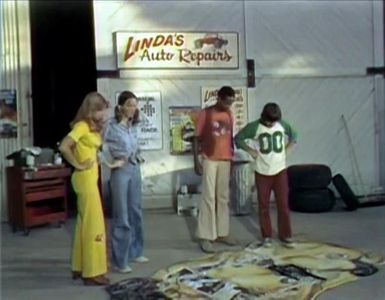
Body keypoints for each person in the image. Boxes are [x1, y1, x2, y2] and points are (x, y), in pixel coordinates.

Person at [59, 92, 123, 285]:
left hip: (89, 177)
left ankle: (80, 266)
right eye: (100, 111)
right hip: (84, 178)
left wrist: (111, 165)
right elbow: (64, 146)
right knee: (95, 224)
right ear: (91, 109)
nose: (103, 115)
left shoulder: (91, 127)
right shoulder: (81, 126)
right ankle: (93, 272)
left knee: (83, 224)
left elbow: (94, 151)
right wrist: (78, 164)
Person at [235, 102, 297, 247]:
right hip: (262, 171)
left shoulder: (282, 124)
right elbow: (238, 138)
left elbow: (294, 135)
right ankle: (267, 235)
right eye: (269, 121)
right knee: (263, 205)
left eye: (274, 121)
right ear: (263, 117)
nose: (271, 124)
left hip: (280, 170)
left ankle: (286, 235)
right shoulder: (254, 126)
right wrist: (250, 151)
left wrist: (288, 149)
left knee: (283, 204)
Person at [104, 90, 148, 273]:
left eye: (135, 104)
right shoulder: (111, 126)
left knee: (135, 211)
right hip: (120, 171)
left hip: (134, 168)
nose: (133, 108)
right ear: (120, 106)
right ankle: (119, 260)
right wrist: (109, 162)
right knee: (121, 214)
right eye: (129, 104)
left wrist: (138, 155)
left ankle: (136, 251)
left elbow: (135, 145)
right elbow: (98, 147)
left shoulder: (134, 125)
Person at [192, 86, 238, 253]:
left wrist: (232, 161)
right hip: (209, 159)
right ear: (219, 98)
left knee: (223, 197)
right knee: (208, 197)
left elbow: (230, 138)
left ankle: (222, 232)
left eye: (231, 102)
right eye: (226, 102)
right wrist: (196, 161)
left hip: (225, 159)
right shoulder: (206, 113)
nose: (229, 105)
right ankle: (205, 235)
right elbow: (196, 138)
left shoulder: (230, 114)